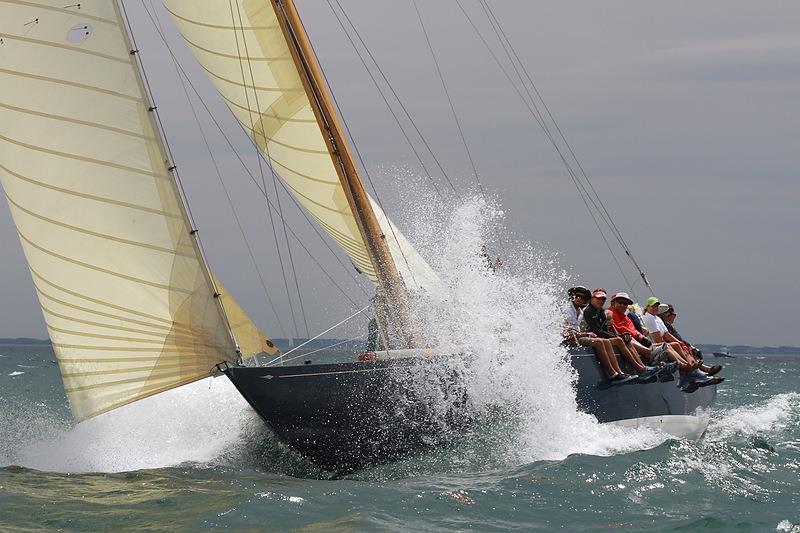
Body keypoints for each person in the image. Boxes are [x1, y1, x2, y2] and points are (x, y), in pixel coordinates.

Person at [643, 297, 723, 391]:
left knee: (679, 345)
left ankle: (694, 369)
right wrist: (674, 344)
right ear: (647, 307)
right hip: (658, 346)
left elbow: (666, 334)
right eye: (653, 306)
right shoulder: (649, 318)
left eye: (657, 306)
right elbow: (658, 340)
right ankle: (691, 369)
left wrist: (681, 343)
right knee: (673, 346)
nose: (655, 308)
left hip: (663, 344)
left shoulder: (657, 319)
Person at [583, 289, 660, 382]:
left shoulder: (601, 311)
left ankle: (641, 368)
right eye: (598, 298)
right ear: (592, 298)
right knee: (619, 340)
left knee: (625, 339)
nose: (601, 301)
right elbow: (598, 330)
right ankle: (626, 371)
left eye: (603, 299)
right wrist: (615, 336)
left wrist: (619, 336)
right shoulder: (589, 310)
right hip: (591, 336)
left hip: (600, 336)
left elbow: (606, 330)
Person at [562, 286, 635, 383]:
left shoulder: (580, 311)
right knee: (600, 342)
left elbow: (580, 330)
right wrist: (585, 334)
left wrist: (584, 334)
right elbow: (565, 333)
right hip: (570, 340)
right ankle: (613, 374)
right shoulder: (567, 310)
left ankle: (619, 373)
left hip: (579, 336)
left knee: (606, 341)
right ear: (572, 296)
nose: (579, 298)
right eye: (577, 296)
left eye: (582, 297)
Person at [607, 292, 681, 376]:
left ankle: (681, 366)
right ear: (614, 303)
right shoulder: (610, 312)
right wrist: (640, 337)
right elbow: (619, 328)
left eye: (625, 304)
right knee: (628, 339)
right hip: (620, 340)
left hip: (630, 339)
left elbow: (632, 329)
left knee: (669, 346)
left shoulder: (626, 317)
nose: (623, 305)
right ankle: (652, 359)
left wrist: (641, 337)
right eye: (620, 302)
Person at [658, 303, 722, 376]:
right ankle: (699, 370)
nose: (674, 317)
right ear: (666, 315)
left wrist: (688, 345)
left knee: (690, 349)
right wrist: (686, 345)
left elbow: (678, 339)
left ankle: (702, 369)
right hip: (669, 347)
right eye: (673, 315)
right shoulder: (664, 325)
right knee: (684, 348)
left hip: (674, 345)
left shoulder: (666, 325)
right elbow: (667, 338)